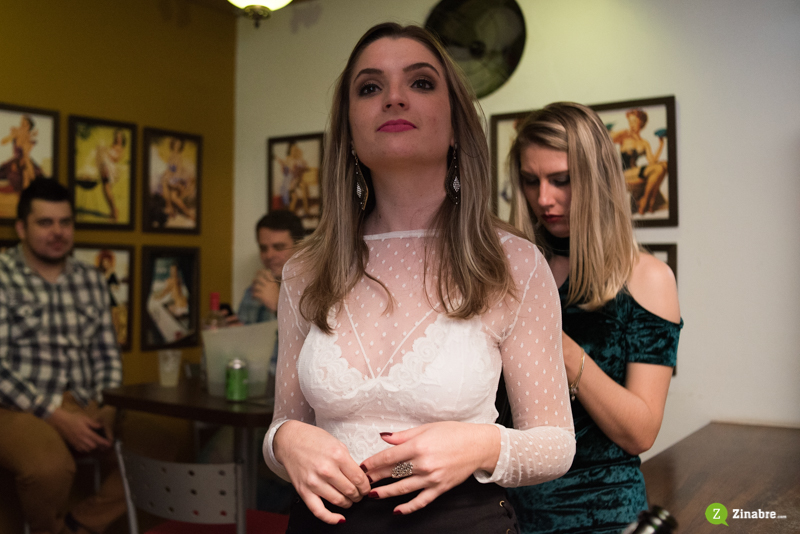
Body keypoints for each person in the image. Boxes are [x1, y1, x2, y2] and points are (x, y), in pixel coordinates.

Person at [262, 23, 575, 533]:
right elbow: (284, 422)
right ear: (349, 131)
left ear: (455, 125)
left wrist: (481, 445)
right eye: (370, 87)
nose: (394, 98)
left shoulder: (513, 263)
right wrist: (283, 441)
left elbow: (556, 445)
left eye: (421, 82)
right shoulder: (305, 268)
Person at [504, 102, 682, 533]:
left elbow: (640, 432)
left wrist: (560, 347)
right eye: (530, 180)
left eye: (561, 180)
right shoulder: (509, 271)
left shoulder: (647, 278)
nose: (543, 199)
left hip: (603, 515)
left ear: (597, 177)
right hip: (505, 515)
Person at [0, 178, 124, 534]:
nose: (57, 232)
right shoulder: (3, 275)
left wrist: (107, 408)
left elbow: (107, 354)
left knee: (160, 444)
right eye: (45, 222)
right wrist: (55, 415)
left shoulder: (90, 278)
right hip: (18, 406)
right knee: (49, 469)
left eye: (65, 222)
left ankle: (77, 525)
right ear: (21, 228)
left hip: (85, 400)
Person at [237, 210, 305, 326]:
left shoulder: (315, 289)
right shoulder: (255, 289)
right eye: (263, 248)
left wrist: (278, 306)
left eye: (279, 247)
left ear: (299, 247)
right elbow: (246, 332)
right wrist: (230, 330)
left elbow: (315, 334)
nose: (269, 255)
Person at [610, 109, 669, 215]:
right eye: (630, 122)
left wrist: (661, 145)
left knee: (664, 165)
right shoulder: (624, 137)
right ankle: (646, 201)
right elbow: (608, 139)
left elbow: (652, 162)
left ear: (641, 124)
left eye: (634, 122)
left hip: (636, 172)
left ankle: (649, 199)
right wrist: (621, 132)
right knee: (659, 167)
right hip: (624, 173)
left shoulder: (644, 143)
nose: (631, 125)